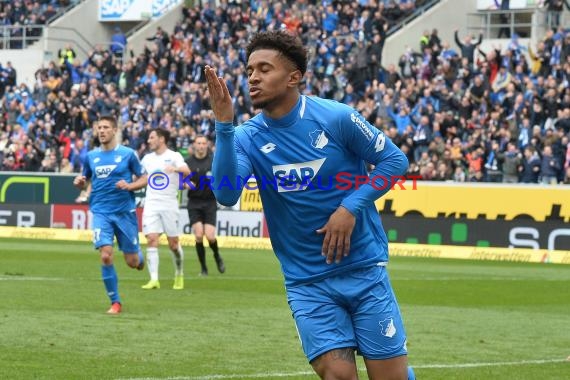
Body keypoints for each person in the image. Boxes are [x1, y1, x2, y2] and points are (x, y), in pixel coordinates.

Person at [206, 30, 415, 380]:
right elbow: (226, 193)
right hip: (307, 281)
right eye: (249, 70)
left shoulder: (336, 118)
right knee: (338, 375)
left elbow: (394, 161)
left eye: (264, 68)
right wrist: (224, 126)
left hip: (363, 269)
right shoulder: (246, 137)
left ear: (294, 77)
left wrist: (350, 207)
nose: (253, 77)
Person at [73, 115, 147, 314]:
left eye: (106, 127)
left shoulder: (128, 154)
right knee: (106, 255)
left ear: (114, 130)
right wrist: (81, 182)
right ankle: (115, 302)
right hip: (100, 211)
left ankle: (139, 257)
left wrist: (129, 185)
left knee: (132, 262)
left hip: (124, 212)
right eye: (99, 128)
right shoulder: (91, 156)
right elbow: (86, 177)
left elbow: (145, 177)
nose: (102, 131)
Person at [140, 128, 190, 290]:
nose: (149, 141)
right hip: (151, 203)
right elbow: (140, 176)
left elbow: (187, 171)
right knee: (152, 239)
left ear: (161, 139)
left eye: (152, 137)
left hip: (169, 203)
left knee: (173, 244)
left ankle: (179, 273)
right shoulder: (147, 159)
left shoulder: (174, 156)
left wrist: (175, 169)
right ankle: (154, 279)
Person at [185, 135, 225, 276]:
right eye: (198, 143)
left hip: (209, 202)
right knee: (198, 235)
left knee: (210, 236)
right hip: (194, 202)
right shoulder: (188, 162)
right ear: (194, 145)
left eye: (203, 143)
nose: (201, 146)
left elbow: (222, 176)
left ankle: (217, 256)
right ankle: (203, 268)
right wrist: (189, 184)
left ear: (207, 145)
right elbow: (182, 183)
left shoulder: (214, 161)